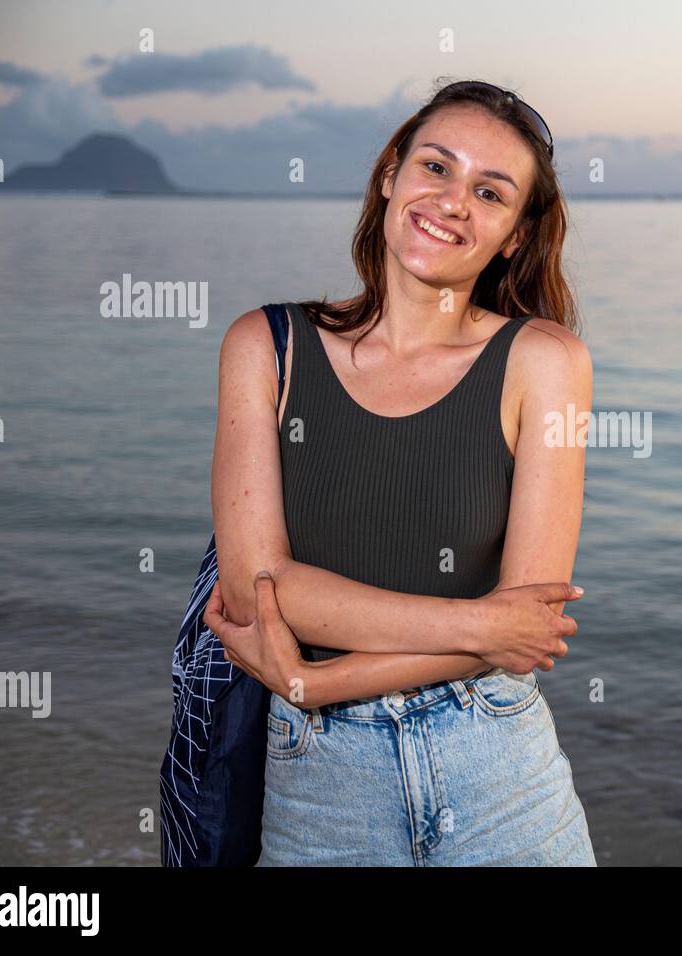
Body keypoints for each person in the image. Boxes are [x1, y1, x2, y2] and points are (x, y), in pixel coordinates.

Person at [201, 79, 597, 865]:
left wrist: (319, 683)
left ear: (515, 235)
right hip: (321, 789)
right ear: (391, 174)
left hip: (499, 770)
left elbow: (529, 624)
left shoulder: (546, 361)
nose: (453, 201)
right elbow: (260, 593)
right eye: (436, 168)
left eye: (490, 192)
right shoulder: (267, 347)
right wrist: (479, 624)